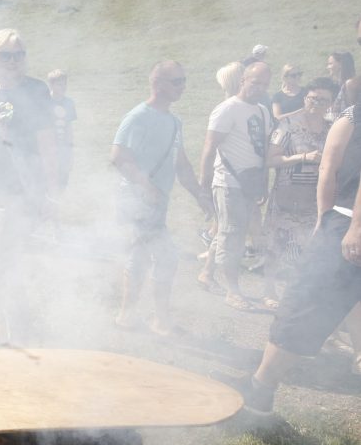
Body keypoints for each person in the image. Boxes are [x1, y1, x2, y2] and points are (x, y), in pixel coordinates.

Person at [231, 102, 361, 415]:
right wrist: (323, 217)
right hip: (342, 219)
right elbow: (328, 168)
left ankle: (259, 391)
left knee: (304, 304)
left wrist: (353, 226)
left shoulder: (351, 115)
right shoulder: (351, 115)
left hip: (348, 225)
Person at [0, 29, 56, 347]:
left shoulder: (36, 90)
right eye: (6, 55)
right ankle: (1, 330)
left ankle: (16, 332)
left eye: (19, 54)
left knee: (6, 262)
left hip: (17, 190)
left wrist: (50, 191)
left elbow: (47, 142)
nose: (13, 61)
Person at [112, 61, 213, 335]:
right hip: (138, 199)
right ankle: (158, 320)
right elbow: (119, 157)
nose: (183, 86)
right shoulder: (138, 117)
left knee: (141, 254)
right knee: (164, 256)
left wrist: (200, 195)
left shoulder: (174, 121)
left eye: (184, 80)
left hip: (156, 202)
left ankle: (128, 316)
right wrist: (147, 187)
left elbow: (181, 164)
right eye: (177, 81)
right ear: (158, 85)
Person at [198, 62, 273, 311]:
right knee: (233, 236)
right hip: (228, 183)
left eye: (263, 84)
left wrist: (263, 181)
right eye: (255, 82)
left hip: (251, 185)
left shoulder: (262, 110)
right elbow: (209, 150)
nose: (259, 88)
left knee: (229, 232)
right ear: (243, 79)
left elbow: (261, 149)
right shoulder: (227, 109)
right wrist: (204, 187)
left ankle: (206, 274)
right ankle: (233, 290)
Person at [262, 78, 336, 307]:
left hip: (315, 197)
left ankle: (298, 293)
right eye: (313, 98)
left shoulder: (331, 129)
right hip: (287, 195)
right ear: (305, 98)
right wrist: (302, 157)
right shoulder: (287, 125)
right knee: (276, 243)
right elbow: (270, 159)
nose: (317, 103)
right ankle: (268, 289)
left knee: (308, 246)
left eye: (323, 100)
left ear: (330, 103)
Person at [46, 69, 77, 191]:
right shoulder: (44, 102)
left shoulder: (69, 103)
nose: (63, 87)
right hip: (48, 147)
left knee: (63, 180)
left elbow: (69, 127)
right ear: (51, 85)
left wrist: (70, 151)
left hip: (63, 147)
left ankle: (58, 203)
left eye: (65, 84)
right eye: (59, 84)